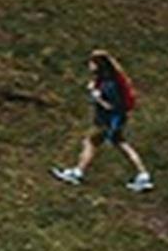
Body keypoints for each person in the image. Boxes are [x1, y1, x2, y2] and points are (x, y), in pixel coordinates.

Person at [50, 49, 152, 193]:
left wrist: (96, 96)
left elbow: (112, 106)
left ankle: (77, 173)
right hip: (109, 121)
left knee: (96, 143)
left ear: (99, 65)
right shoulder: (106, 80)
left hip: (108, 121)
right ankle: (143, 175)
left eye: (92, 63)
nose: (89, 65)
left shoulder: (109, 84)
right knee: (103, 144)